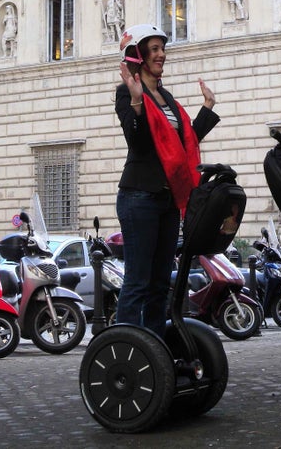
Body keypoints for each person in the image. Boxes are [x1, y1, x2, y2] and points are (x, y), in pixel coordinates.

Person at [114, 23, 219, 338]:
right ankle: (126, 347)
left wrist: (207, 109)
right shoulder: (128, 92)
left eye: (162, 48)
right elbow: (139, 142)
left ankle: (155, 349)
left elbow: (183, 145)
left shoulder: (165, 96)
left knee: (161, 282)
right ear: (140, 55)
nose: (162, 54)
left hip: (167, 200)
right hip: (139, 197)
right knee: (138, 281)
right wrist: (135, 102)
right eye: (155, 49)